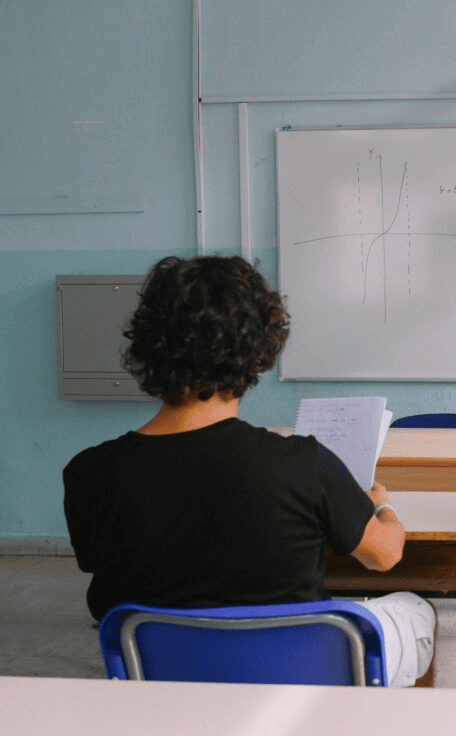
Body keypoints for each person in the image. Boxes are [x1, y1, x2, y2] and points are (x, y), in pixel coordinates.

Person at [63, 255, 435, 688]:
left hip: (161, 681)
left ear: (149, 345)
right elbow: (385, 556)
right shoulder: (303, 464)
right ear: (258, 351)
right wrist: (381, 507)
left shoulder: (89, 471)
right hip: (295, 678)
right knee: (416, 609)